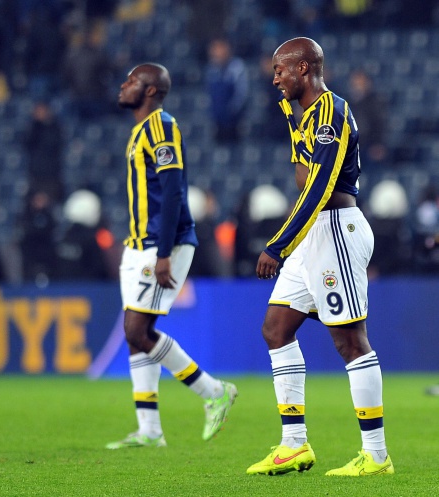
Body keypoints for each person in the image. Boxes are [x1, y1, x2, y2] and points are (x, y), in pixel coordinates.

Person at [246, 38, 393, 476]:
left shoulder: (331, 112)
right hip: (315, 233)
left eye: (281, 70)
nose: (275, 78)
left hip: (335, 230)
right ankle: (294, 444)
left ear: (304, 69)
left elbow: (320, 187)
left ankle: (376, 455)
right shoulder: (301, 114)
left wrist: (278, 244)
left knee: (350, 341)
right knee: (276, 329)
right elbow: (303, 175)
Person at [106, 63, 237, 449]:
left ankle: (214, 392)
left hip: (162, 245)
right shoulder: (139, 131)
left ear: (150, 91)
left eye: (132, 81)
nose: (124, 84)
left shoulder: (161, 126)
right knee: (136, 336)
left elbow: (174, 191)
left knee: (137, 331)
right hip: (138, 244)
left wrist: (164, 252)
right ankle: (149, 430)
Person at [205, 38, 249, 144]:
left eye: (219, 48)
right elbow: (210, 95)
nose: (216, 53)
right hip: (217, 120)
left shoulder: (237, 67)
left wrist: (231, 112)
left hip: (235, 120)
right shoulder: (211, 69)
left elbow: (241, 94)